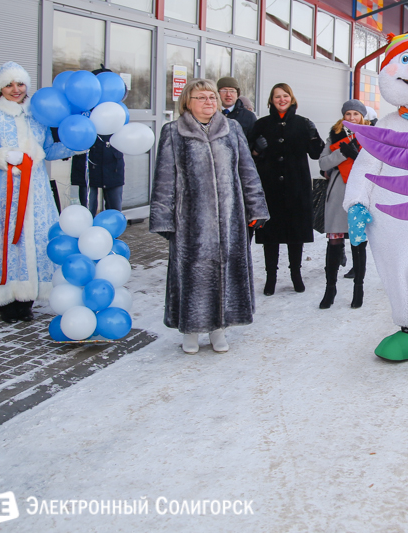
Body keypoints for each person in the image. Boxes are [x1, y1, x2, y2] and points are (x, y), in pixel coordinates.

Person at [149, 79, 269, 354]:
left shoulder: (232, 128)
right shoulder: (173, 132)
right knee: (192, 275)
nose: (209, 102)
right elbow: (164, 179)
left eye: (212, 97)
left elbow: (247, 171)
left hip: (230, 219)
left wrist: (256, 208)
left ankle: (219, 329)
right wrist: (163, 219)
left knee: (227, 273)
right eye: (201, 97)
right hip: (190, 222)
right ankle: (190, 330)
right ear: (187, 102)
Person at [0, 61, 76, 323]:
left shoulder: (39, 114)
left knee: (34, 241)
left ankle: (27, 301)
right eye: (9, 84)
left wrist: (73, 145)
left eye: (20, 83)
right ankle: (5, 301)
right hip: (1, 193)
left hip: (36, 192)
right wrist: (2, 155)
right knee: (5, 242)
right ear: (0, 88)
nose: (16, 89)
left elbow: (48, 150)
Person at [250, 83, 324, 296]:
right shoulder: (261, 124)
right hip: (270, 186)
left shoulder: (302, 123)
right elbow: (249, 155)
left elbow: (316, 154)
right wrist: (256, 150)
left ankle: (296, 274)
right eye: (277, 96)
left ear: (291, 98)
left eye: (285, 96)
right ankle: (271, 277)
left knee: (295, 233)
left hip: (296, 186)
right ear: (271, 101)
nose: (281, 100)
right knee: (270, 233)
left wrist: (313, 136)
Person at [317, 99, 371, 309]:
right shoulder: (334, 135)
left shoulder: (370, 135)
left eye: (356, 114)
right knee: (334, 243)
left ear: (362, 117)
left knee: (358, 242)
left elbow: (376, 163)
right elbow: (323, 163)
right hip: (337, 194)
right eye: (348, 114)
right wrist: (342, 153)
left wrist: (356, 155)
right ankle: (330, 289)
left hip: (359, 193)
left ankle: (359, 289)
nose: (352, 118)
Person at [70, 67, 125, 216]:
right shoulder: (81, 105)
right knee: (87, 212)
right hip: (87, 164)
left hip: (113, 164)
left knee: (114, 212)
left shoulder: (116, 107)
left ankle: (114, 231)